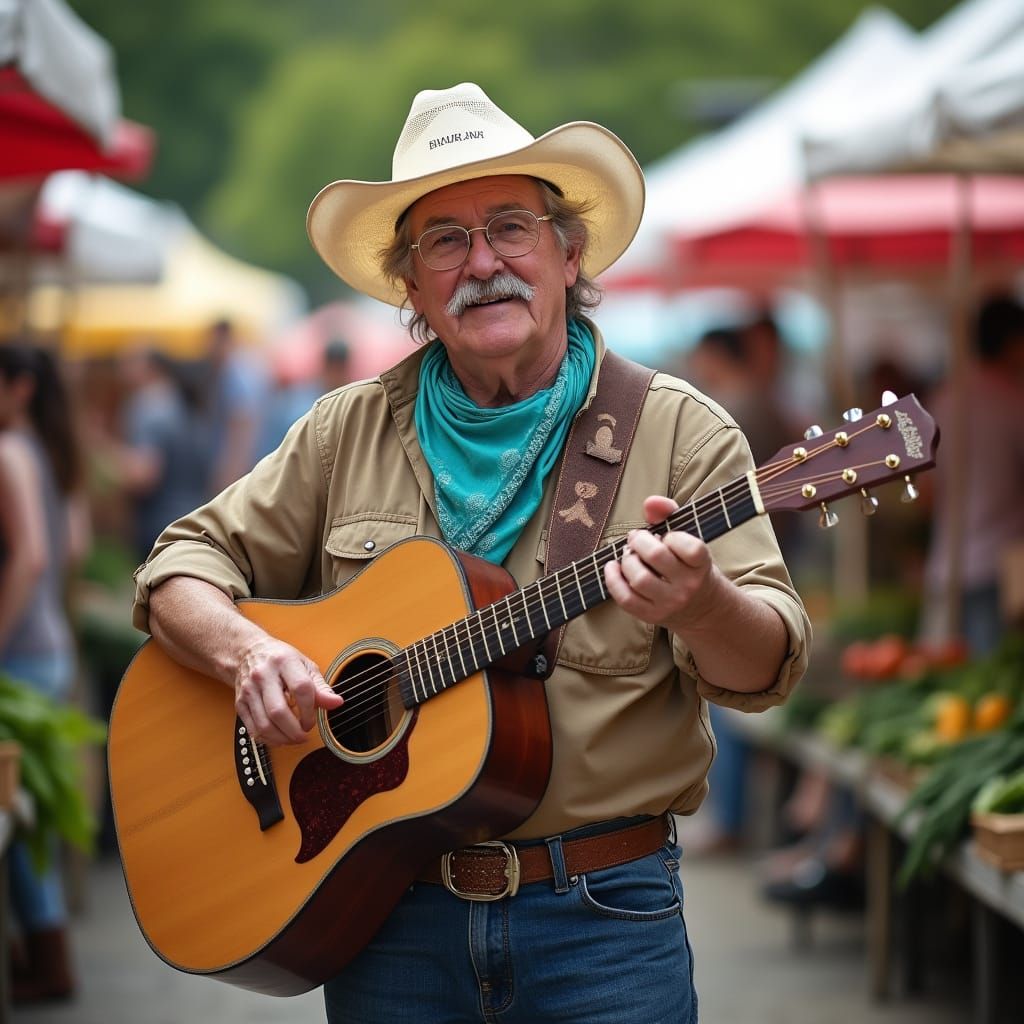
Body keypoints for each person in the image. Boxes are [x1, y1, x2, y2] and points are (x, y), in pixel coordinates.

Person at [131, 83, 811, 1023]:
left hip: (602, 921)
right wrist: (246, 653)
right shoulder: (344, 432)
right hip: (388, 918)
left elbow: (767, 664)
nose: (481, 262)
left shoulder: (680, 435)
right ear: (411, 285)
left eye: (510, 228)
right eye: (444, 241)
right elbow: (179, 564)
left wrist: (703, 606)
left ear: (569, 254)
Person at [0, 342, 89, 1003]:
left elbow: (29, 558)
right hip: (51, 645)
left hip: (22, 654)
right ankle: (48, 956)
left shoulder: (9, 453)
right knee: (27, 813)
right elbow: (73, 548)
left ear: (19, 387)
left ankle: (48, 961)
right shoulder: (55, 453)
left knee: (18, 816)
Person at [920, 292, 1024, 656]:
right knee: (990, 683)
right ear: (1013, 343)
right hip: (1000, 565)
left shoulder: (944, 398)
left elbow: (927, 491)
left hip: (946, 564)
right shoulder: (1013, 401)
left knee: (944, 682)